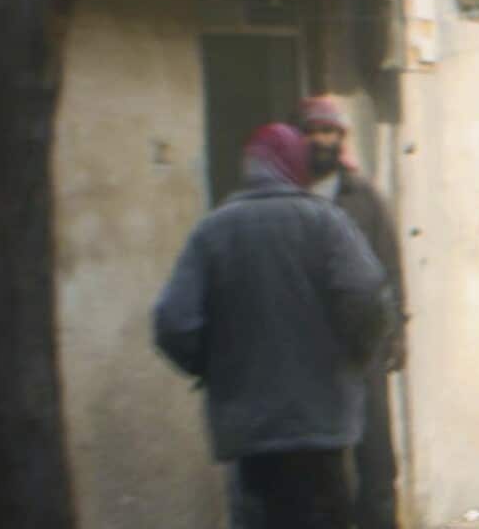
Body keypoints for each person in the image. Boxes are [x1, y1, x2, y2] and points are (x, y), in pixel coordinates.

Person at [153, 123, 392, 529]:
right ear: (296, 166)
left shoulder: (213, 231)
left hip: (250, 430)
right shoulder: (326, 223)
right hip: (323, 422)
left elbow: (173, 323)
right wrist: (357, 354)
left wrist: (213, 367)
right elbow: (368, 295)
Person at [300, 95, 407, 529]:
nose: (321, 140)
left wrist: (398, 331)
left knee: (377, 461)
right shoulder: (291, 196)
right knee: (323, 468)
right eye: (313, 132)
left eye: (329, 132)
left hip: (363, 349)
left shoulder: (364, 198)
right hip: (309, 352)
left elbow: (389, 267)